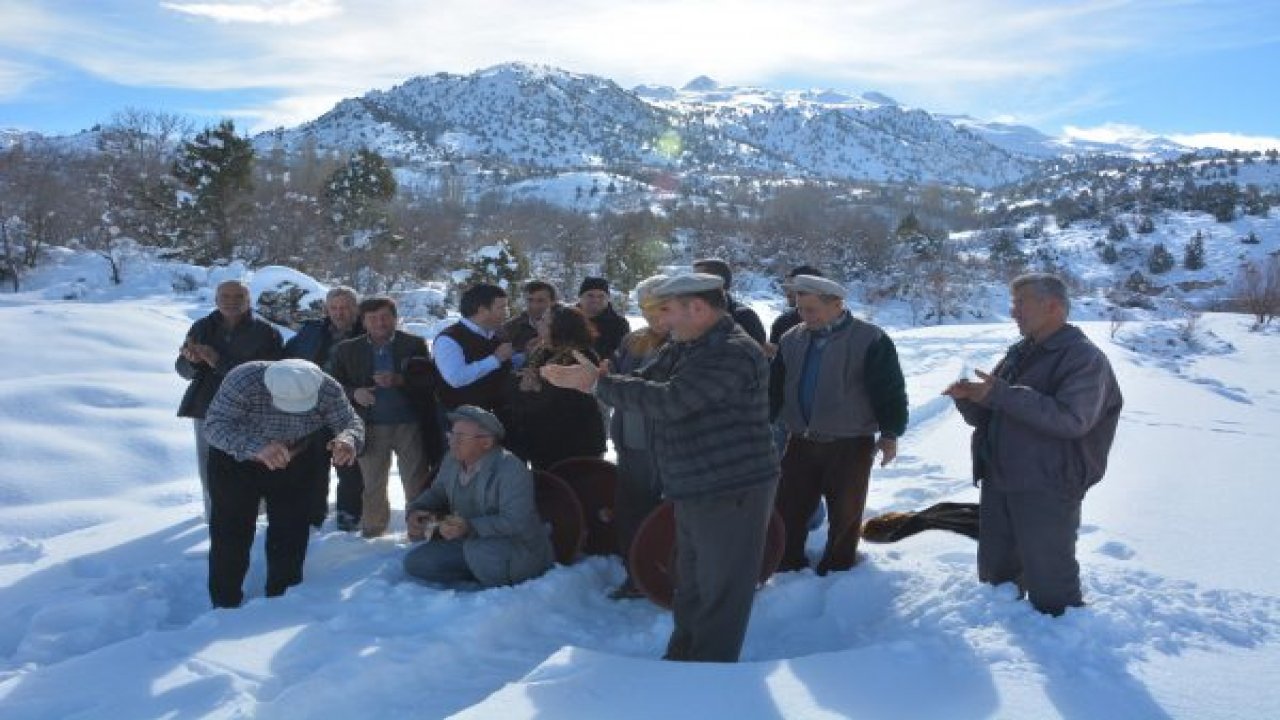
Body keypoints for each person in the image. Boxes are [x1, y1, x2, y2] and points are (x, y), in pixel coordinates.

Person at [541, 273, 777, 663]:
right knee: (692, 583)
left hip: (732, 487)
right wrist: (602, 377)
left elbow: (672, 400)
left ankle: (710, 679)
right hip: (695, 484)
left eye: (667, 310)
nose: (662, 321)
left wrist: (596, 386)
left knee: (720, 590)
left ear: (697, 308)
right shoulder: (689, 344)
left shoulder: (732, 352)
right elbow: (646, 379)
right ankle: (682, 664)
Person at [943, 272, 1123, 616]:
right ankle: (1005, 644)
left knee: (1051, 586)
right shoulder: (1021, 352)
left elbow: (1072, 420)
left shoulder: (1084, 358)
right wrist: (969, 399)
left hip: (1048, 483)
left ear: (1052, 306)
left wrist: (998, 393)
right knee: (997, 577)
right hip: (1000, 478)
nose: (1013, 311)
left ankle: (1063, 655)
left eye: (1020, 303)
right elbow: (994, 414)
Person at [770, 274, 908, 575]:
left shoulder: (870, 339)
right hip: (800, 439)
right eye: (800, 309)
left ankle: (838, 567)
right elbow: (775, 388)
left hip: (850, 441)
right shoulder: (791, 338)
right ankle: (787, 561)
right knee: (789, 507)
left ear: (837, 304)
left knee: (846, 512)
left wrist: (890, 433)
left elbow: (890, 390)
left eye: (812, 309)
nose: (805, 316)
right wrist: (764, 424)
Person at [203, 359, 364, 608]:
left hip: (295, 458)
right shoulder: (243, 380)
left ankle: (282, 600)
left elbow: (350, 422)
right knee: (231, 530)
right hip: (236, 459)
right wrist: (256, 448)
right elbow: (214, 426)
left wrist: (347, 440)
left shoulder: (326, 387)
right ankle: (224, 602)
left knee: (292, 529)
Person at [403, 406, 553, 589]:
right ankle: (477, 574)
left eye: (461, 437)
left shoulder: (511, 469)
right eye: (452, 435)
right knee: (416, 562)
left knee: (480, 552)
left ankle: (497, 590)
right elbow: (437, 493)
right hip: (469, 541)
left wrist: (470, 527)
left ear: (486, 443)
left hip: (515, 546)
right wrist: (415, 512)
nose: (453, 442)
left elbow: (516, 521)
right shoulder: (451, 460)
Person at [330, 296, 440, 539]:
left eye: (385, 317)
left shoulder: (413, 344)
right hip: (370, 425)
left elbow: (429, 380)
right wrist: (354, 393)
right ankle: (374, 531)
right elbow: (332, 385)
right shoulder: (348, 349)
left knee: (416, 481)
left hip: (409, 423)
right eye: (373, 318)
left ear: (395, 318)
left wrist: (400, 380)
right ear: (363, 321)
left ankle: (419, 531)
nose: (380, 323)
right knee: (373, 483)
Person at [176, 279, 283, 521]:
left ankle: (256, 517)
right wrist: (191, 361)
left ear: (249, 300)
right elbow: (182, 370)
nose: (231, 302)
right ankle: (214, 518)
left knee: (250, 463)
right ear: (216, 300)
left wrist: (218, 362)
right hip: (207, 408)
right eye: (225, 297)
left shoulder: (266, 332)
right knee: (208, 468)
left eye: (238, 297)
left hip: (249, 411)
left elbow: (268, 378)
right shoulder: (201, 327)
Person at [607, 274, 670, 599]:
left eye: (658, 308)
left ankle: (666, 574)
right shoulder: (634, 340)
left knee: (669, 514)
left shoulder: (688, 342)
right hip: (632, 440)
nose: (652, 317)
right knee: (632, 509)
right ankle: (635, 573)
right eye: (645, 310)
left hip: (670, 444)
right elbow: (619, 381)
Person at [283, 286, 365, 530]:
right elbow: (286, 358)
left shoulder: (368, 331)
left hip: (351, 410)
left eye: (346, 308)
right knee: (313, 463)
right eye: (334, 308)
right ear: (326, 309)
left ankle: (349, 516)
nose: (339, 313)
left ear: (356, 309)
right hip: (312, 410)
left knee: (349, 464)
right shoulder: (311, 331)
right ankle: (313, 514)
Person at [507, 305, 606, 469]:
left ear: (559, 327)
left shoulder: (581, 356)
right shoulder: (542, 351)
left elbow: (578, 399)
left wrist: (538, 387)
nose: (539, 322)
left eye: (545, 320)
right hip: (543, 438)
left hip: (575, 440)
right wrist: (524, 386)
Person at [434, 283, 515, 421]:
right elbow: (456, 378)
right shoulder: (449, 339)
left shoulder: (498, 334)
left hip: (499, 417)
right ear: (482, 310)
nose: (507, 313)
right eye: (501, 307)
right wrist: (495, 359)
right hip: (464, 423)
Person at [693, 258, 767, 347]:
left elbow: (758, 355)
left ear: (719, 283)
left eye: (698, 279)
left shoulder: (744, 317)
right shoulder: (690, 315)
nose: (692, 284)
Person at [767, 265, 825, 357]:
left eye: (793, 289)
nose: (787, 293)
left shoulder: (838, 324)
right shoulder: (782, 323)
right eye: (786, 288)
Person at [576, 276, 631, 361]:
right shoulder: (567, 319)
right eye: (590, 295)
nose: (595, 300)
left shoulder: (619, 324)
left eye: (601, 296)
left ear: (608, 298)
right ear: (580, 297)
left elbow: (623, 357)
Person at [502, 280, 558, 359]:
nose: (534, 306)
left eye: (540, 301)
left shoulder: (563, 325)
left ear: (553, 302)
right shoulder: (511, 328)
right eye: (530, 300)